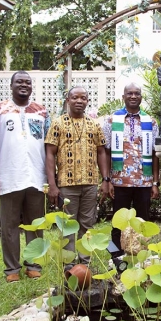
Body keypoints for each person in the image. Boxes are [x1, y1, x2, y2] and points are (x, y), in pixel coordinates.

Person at [0, 71, 51, 283]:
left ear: (31, 87)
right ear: (11, 85)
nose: (24, 85)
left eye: (27, 82)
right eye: (19, 82)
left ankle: (33, 264)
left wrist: (52, 178)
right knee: (10, 226)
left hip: (36, 176)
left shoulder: (41, 112)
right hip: (9, 176)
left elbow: (50, 146)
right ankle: (11, 268)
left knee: (36, 224)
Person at [45, 86, 109, 265]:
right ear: (68, 100)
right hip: (66, 183)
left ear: (88, 101)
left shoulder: (94, 124)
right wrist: (52, 184)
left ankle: (85, 263)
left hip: (89, 183)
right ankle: (69, 265)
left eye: (83, 98)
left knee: (87, 224)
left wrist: (105, 179)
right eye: (75, 97)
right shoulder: (58, 123)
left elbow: (101, 152)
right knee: (68, 226)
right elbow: (50, 153)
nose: (79, 101)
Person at [102, 82, 159, 252]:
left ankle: (141, 255)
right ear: (123, 97)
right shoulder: (112, 120)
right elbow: (105, 151)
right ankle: (115, 256)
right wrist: (107, 180)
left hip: (144, 181)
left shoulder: (151, 122)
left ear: (141, 97)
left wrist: (155, 182)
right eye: (129, 93)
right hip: (119, 182)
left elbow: (155, 153)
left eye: (137, 93)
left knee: (143, 221)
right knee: (118, 222)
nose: (133, 96)